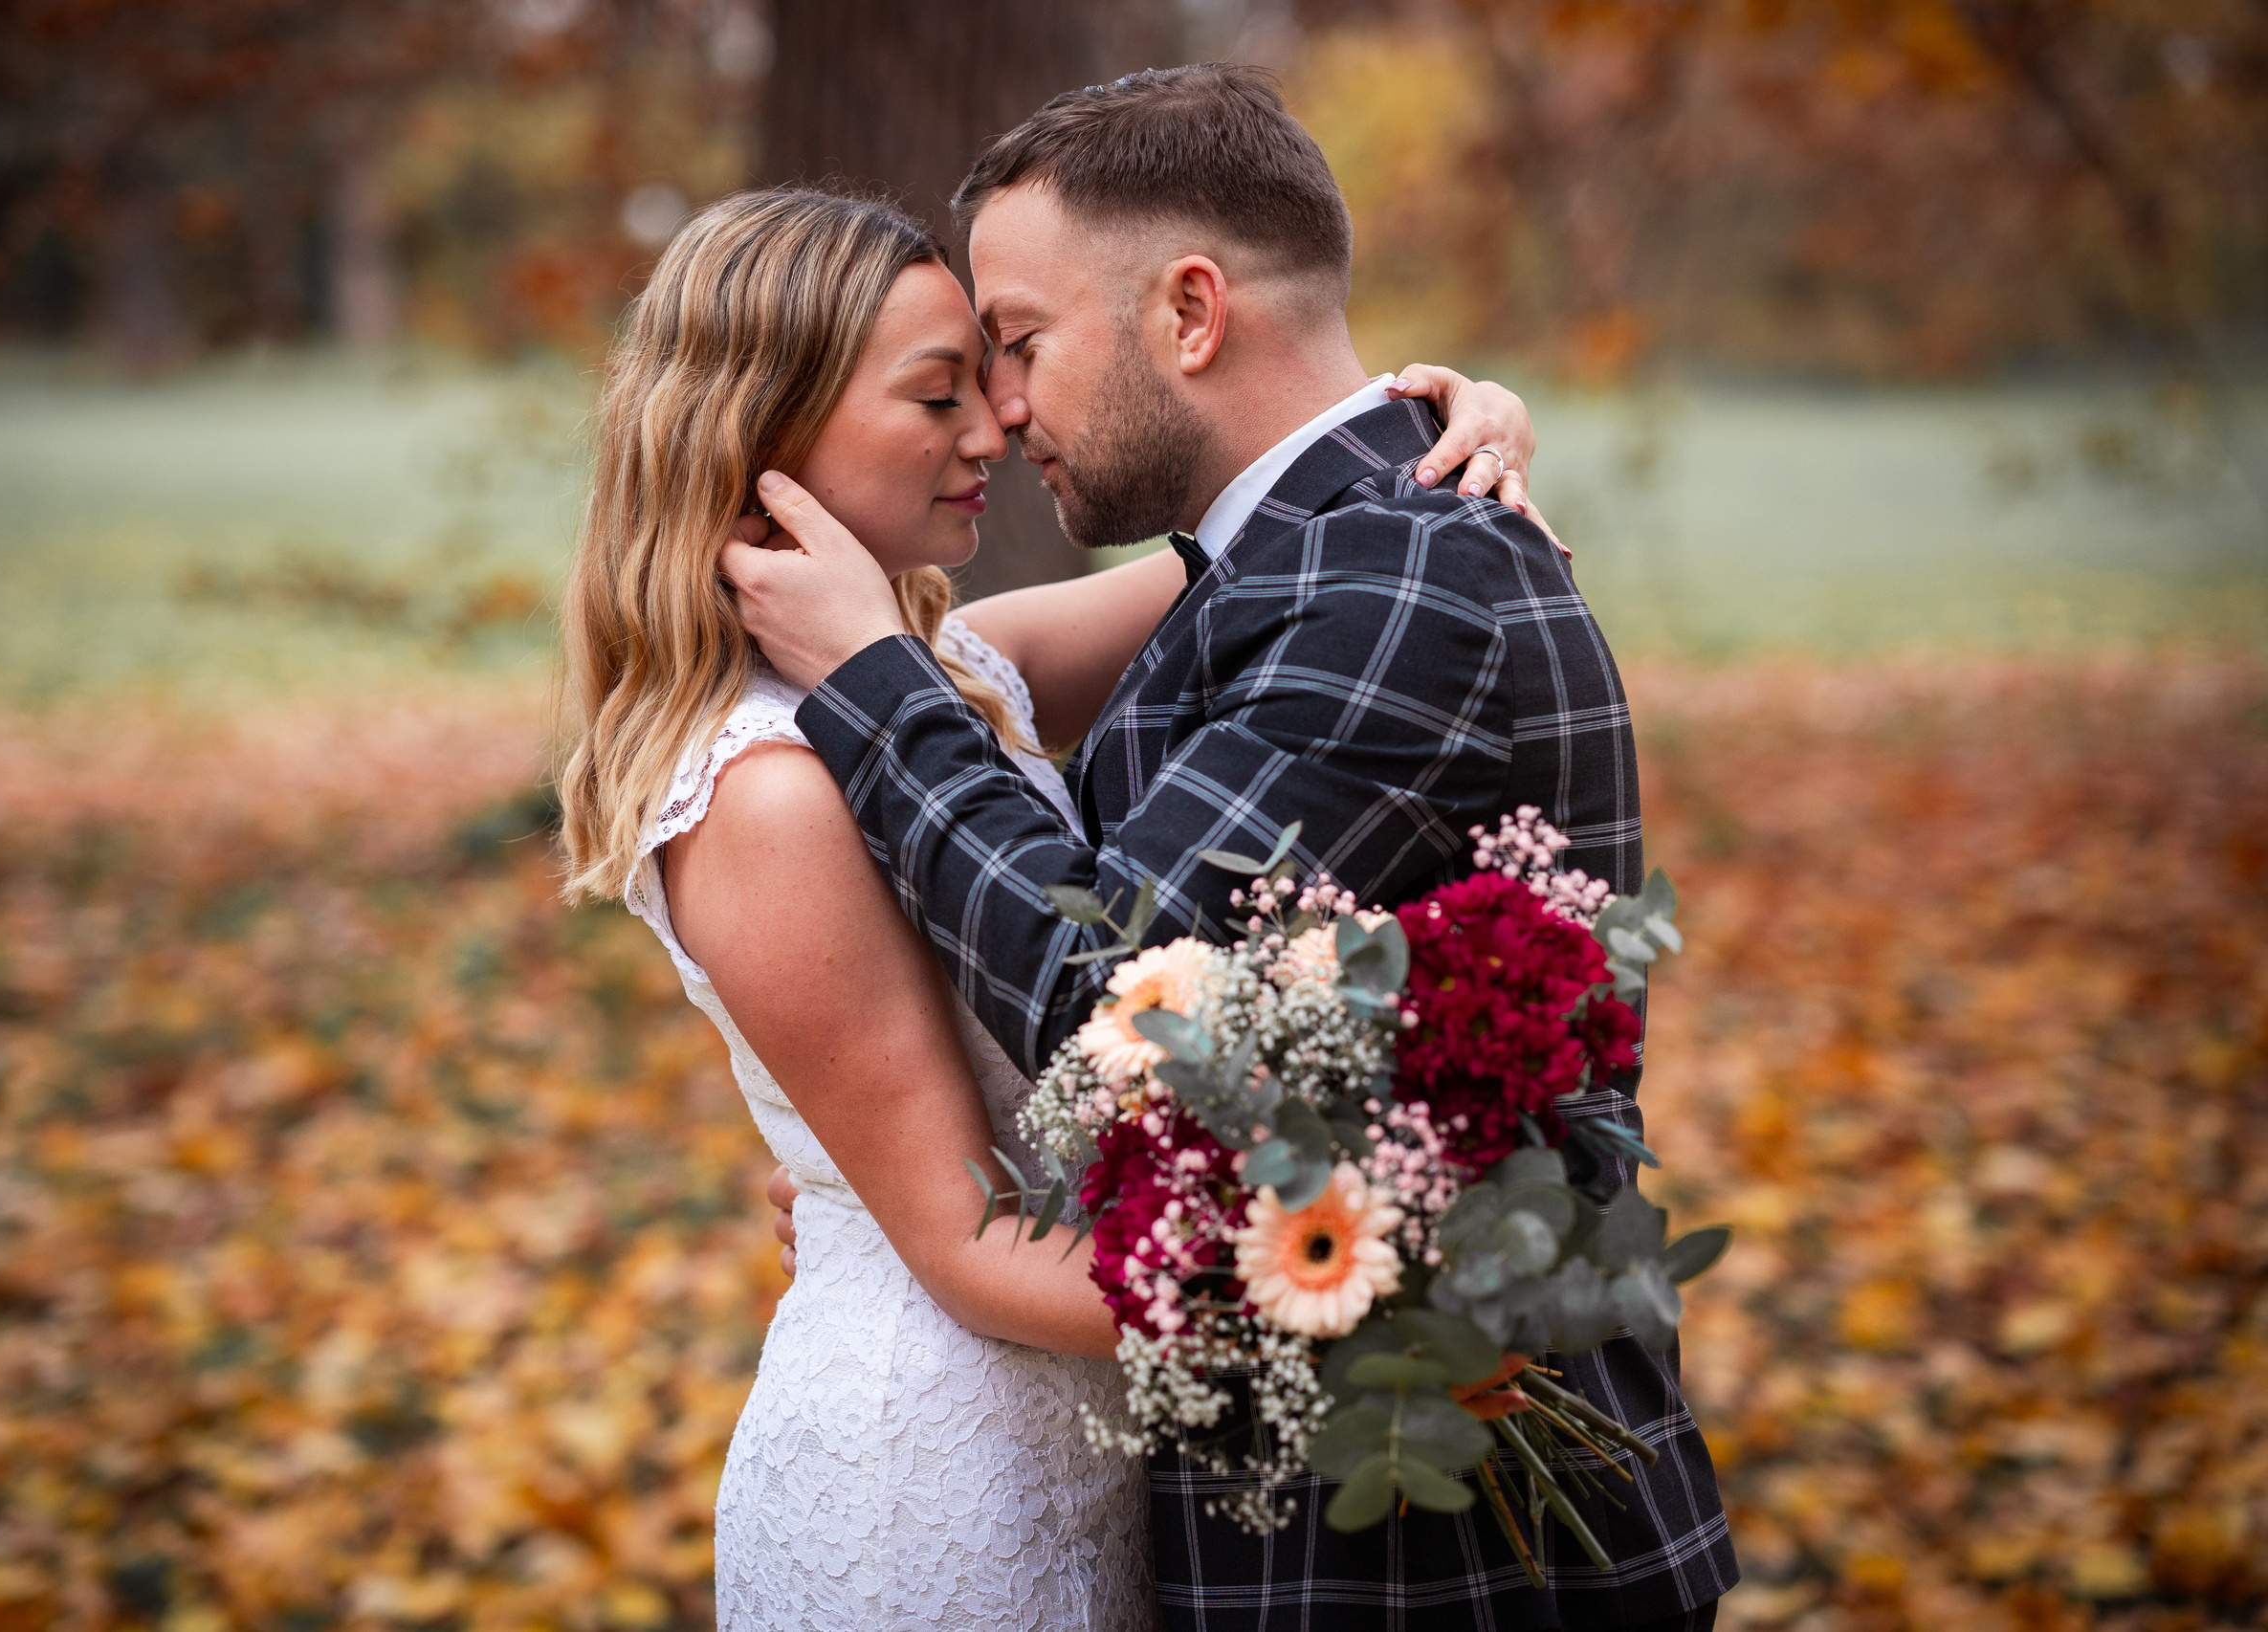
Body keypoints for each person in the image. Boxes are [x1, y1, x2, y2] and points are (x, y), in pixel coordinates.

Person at [722, 66, 1737, 1632]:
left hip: (1439, 1550)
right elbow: (995, 728)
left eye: (1022, 344)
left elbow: (1120, 994)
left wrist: (870, 677)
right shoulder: (1291, 557)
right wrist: (868, 1155)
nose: (1003, 409)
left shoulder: (1400, 588)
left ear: (1190, 312)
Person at [556, 185, 1539, 1629]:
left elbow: (1278, 543)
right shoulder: (762, 791)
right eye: (938, 392)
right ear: (767, 439)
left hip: (1089, 1427)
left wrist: (1455, 421)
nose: (995, 425)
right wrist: (1360, 1312)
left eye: (993, 373)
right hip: (934, 1479)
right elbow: (960, 1239)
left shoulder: (959, 665)